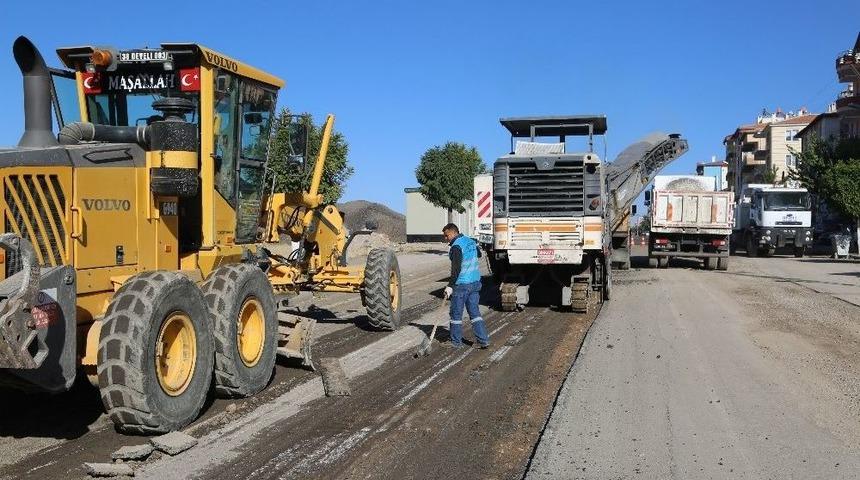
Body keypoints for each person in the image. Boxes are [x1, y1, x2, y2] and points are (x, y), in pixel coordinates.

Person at [442, 223, 490, 349]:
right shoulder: (470, 241)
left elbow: (456, 270)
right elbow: (479, 255)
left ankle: (455, 342)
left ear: (453, 233)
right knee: (475, 313)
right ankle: (483, 340)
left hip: (462, 285)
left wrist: (450, 286)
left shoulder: (456, 246)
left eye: (446, 236)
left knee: (456, 315)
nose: (445, 238)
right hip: (474, 283)